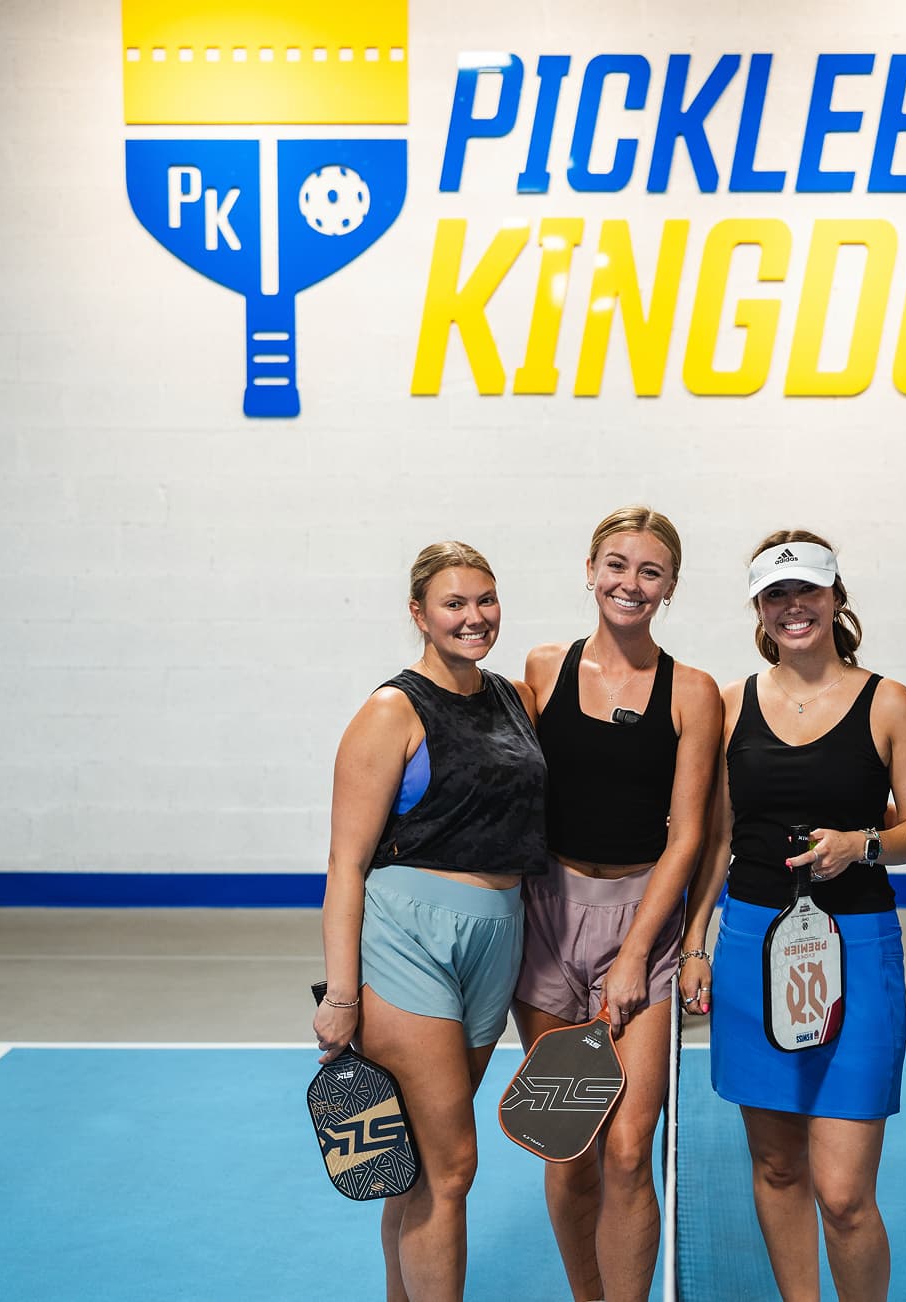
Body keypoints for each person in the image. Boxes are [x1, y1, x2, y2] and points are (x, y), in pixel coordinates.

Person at [679, 530, 906, 1302]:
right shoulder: (729, 706)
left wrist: (861, 844)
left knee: (845, 1193)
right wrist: (695, 944)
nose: (794, 608)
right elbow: (714, 836)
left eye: (808, 591)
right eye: (776, 595)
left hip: (856, 947)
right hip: (753, 944)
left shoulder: (888, 702)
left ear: (835, 597)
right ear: (760, 609)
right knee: (777, 1167)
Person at [313, 541, 547, 1302]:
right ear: (419, 613)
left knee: (414, 1163)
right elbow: (346, 864)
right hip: (408, 938)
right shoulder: (392, 709)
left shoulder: (514, 697)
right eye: (455, 603)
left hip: (496, 936)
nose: (474, 617)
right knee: (452, 1166)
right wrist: (342, 997)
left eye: (486, 599)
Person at [515, 506, 721, 1302]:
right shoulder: (541, 669)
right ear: (590, 570)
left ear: (669, 587)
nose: (628, 583)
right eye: (615, 564)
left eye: (649, 571)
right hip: (547, 917)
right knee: (569, 1145)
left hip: (644, 921)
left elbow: (690, 834)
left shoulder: (693, 692)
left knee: (631, 1146)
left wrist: (637, 951)